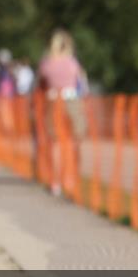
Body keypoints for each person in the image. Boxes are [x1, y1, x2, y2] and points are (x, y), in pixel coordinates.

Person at [37, 29, 88, 196]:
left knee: (55, 143)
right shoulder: (73, 63)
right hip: (71, 101)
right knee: (73, 141)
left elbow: (41, 83)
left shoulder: (47, 63)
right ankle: (70, 179)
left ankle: (56, 182)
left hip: (52, 103)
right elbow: (83, 84)